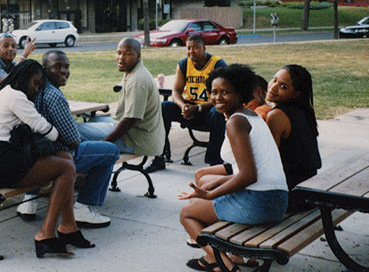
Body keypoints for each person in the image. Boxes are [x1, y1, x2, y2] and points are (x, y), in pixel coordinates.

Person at [0, 59, 93, 258]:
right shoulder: (16, 96)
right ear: (24, 78)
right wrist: (60, 135)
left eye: (40, 85)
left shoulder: (3, 92)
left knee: (65, 159)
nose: (37, 89)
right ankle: (46, 234)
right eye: (36, 83)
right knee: (66, 168)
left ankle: (68, 227)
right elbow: (45, 128)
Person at [178, 64, 288, 272]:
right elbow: (245, 172)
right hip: (277, 200)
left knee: (187, 214)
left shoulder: (236, 123)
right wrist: (213, 186)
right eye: (214, 92)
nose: (218, 97)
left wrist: (210, 196)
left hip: (258, 203)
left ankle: (226, 267)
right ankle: (226, 258)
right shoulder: (252, 116)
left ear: (240, 93)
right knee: (206, 186)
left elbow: (248, 176)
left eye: (225, 92)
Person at [16, 50, 120, 228]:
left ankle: (29, 201)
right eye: (57, 66)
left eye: (66, 66)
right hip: (58, 158)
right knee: (110, 150)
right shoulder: (54, 95)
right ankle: (83, 207)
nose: (64, 71)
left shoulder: (32, 90)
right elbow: (73, 140)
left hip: (30, 155)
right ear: (44, 69)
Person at [146, 34, 227, 173]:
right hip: (190, 108)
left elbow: (223, 97)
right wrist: (183, 106)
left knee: (218, 111)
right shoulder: (184, 64)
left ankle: (214, 162)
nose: (191, 51)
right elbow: (176, 92)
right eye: (188, 48)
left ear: (204, 48)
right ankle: (159, 156)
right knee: (164, 107)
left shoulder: (217, 65)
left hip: (208, 110)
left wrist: (199, 108)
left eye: (196, 48)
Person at [77, 38, 165, 157]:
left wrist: (103, 144)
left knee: (75, 129)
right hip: (134, 131)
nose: (121, 58)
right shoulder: (133, 71)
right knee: (93, 120)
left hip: (137, 140)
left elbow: (130, 120)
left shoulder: (138, 80)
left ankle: (77, 167)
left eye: (128, 54)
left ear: (138, 56)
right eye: (119, 53)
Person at [266, 65, 321, 211]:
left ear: (296, 93)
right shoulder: (304, 110)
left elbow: (267, 161)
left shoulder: (276, 116)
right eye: (274, 80)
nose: (273, 87)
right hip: (308, 189)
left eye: (283, 86)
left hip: (291, 195)